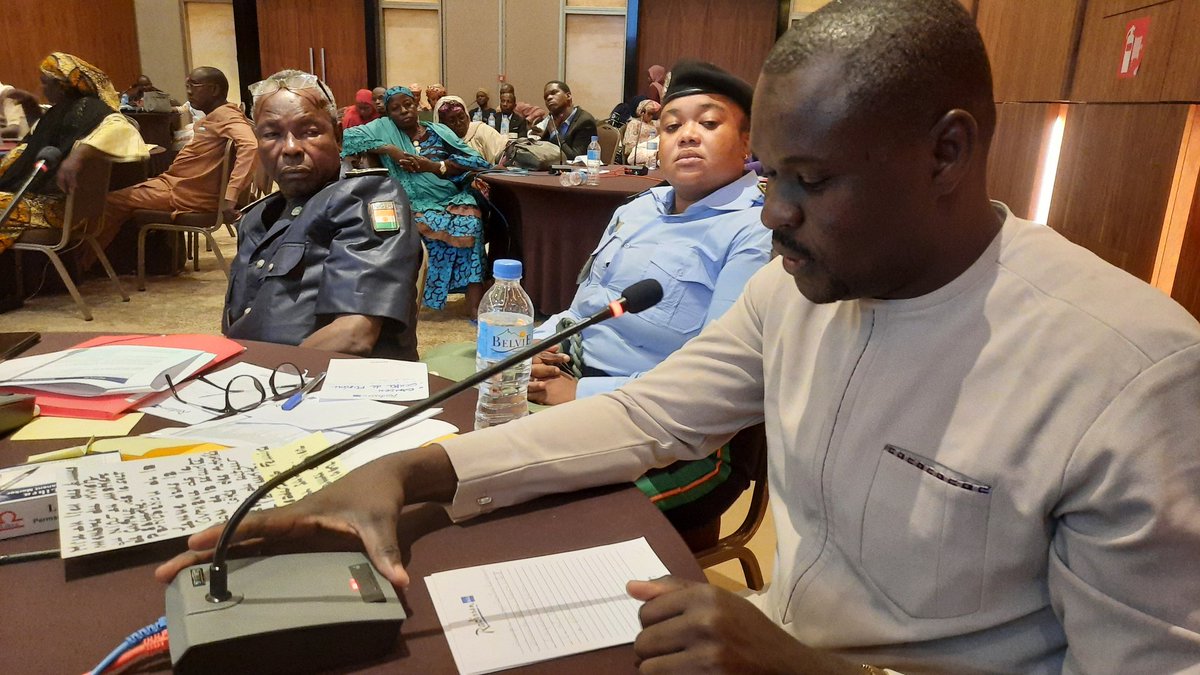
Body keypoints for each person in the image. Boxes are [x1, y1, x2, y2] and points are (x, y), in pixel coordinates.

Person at [158, 1, 1200, 672]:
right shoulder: (800, 289)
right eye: (768, 178)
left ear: (950, 152)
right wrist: (415, 473)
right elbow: (652, 415)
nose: (773, 215)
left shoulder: (1133, 372)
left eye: (810, 182)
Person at [527, 61, 771, 541]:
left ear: (747, 143)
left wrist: (585, 397)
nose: (687, 136)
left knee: (551, 520)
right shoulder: (638, 208)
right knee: (470, 439)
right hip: (577, 374)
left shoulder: (755, 231)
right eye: (672, 125)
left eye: (709, 122)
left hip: (681, 431)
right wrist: (539, 343)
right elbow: (584, 308)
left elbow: (719, 383)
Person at [224, 70, 422, 360]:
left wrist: (268, 378)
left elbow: (354, 333)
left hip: (332, 386)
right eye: (272, 134)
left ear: (338, 135)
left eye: (309, 132)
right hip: (252, 378)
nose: (291, 148)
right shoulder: (256, 218)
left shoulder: (367, 196)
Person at [342, 86, 491, 316]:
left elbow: (478, 162)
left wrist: (435, 166)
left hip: (448, 195)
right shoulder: (382, 128)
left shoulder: (438, 130)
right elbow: (347, 138)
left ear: (416, 105)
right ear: (388, 113)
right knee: (429, 222)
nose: (403, 111)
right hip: (411, 201)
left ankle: (474, 302)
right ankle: (431, 294)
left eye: (408, 105)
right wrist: (390, 149)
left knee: (472, 221)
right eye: (395, 108)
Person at [98, 66, 257, 262]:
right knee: (120, 197)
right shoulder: (217, 115)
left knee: (109, 202)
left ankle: (83, 263)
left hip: (186, 194)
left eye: (194, 86)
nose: (189, 91)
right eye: (187, 86)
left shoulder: (226, 115)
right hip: (178, 185)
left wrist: (231, 196)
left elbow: (250, 145)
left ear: (214, 90)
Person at [0, 53, 147, 255]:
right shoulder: (63, 109)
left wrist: (78, 156)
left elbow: (123, 127)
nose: (42, 89)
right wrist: (31, 107)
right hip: (41, 201)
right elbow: (44, 138)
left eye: (44, 84)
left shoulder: (89, 108)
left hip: (53, 208)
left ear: (60, 86)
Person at [534, 80, 597, 159]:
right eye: (545, 97)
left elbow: (575, 158)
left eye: (554, 93)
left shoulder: (585, 122)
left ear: (568, 96)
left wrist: (554, 133)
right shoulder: (553, 120)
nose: (549, 98)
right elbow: (540, 153)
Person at [436, 95, 507, 165]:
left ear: (467, 116)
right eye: (452, 121)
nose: (458, 123)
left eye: (461, 118)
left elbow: (504, 154)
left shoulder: (482, 130)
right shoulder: (437, 142)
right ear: (442, 124)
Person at [621, 99, 660, 165]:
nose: (651, 116)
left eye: (653, 114)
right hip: (638, 153)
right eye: (649, 114)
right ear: (642, 112)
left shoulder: (654, 124)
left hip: (653, 153)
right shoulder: (634, 123)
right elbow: (629, 146)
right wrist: (644, 147)